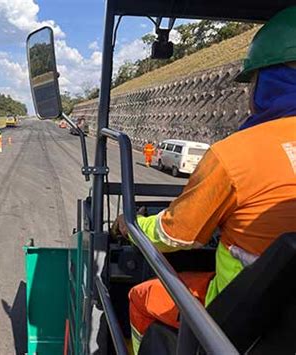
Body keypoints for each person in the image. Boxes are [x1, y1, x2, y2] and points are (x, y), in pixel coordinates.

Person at [111, 7, 296, 353]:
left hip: (239, 319)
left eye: (252, 81)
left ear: (272, 79)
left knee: (140, 296)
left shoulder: (236, 154)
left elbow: (174, 236)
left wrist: (130, 225)